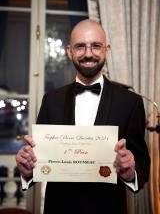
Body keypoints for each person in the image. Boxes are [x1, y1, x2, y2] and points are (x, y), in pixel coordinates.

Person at [16, 19, 150, 214]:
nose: (88, 53)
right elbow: (40, 161)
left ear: (107, 50)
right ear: (70, 51)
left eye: (96, 46)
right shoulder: (51, 100)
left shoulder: (131, 102)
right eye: (80, 47)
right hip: (58, 208)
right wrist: (28, 171)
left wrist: (131, 172)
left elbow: (142, 163)